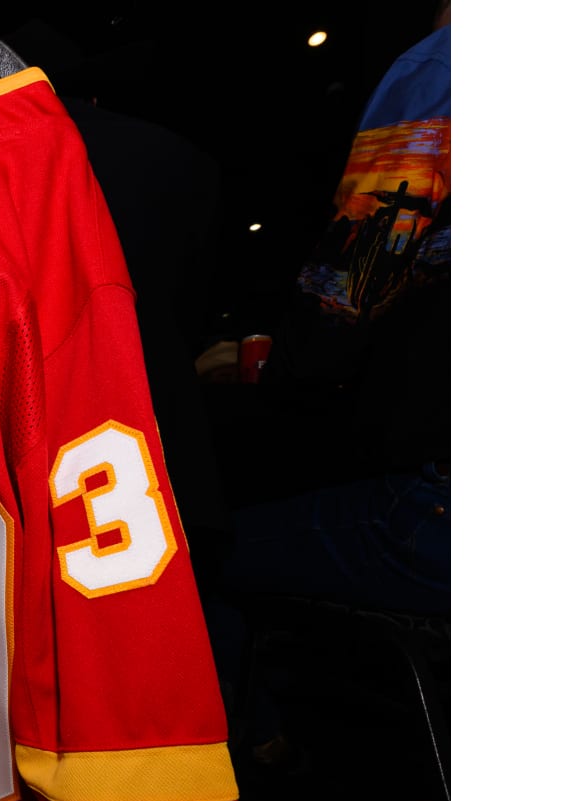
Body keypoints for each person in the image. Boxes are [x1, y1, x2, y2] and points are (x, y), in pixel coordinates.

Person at [203, 10, 451, 749]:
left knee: (195, 556)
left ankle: (244, 770)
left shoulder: (445, 69)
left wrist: (271, 367)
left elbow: (347, 295)